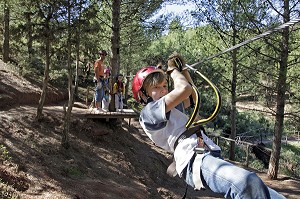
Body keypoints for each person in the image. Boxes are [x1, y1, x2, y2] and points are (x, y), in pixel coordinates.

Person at [131, 52, 286, 199]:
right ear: (143, 94)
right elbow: (184, 89)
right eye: (156, 87)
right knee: (246, 183)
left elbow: (191, 97)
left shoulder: (169, 108)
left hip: (204, 151)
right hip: (191, 158)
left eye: (164, 86)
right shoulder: (149, 113)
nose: (163, 90)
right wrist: (172, 70)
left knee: (270, 194)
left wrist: (183, 70)